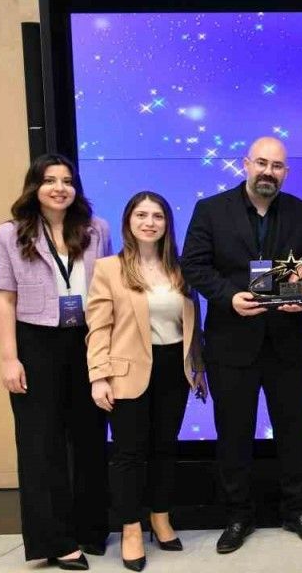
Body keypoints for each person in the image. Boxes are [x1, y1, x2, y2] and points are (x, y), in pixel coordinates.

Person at [181, 136, 302, 553]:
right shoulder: (211, 210)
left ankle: (297, 511)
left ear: (286, 172)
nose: (269, 172)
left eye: (277, 166)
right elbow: (193, 264)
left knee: (294, 432)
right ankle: (237, 516)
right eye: (262, 163)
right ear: (245, 164)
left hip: (288, 343)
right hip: (232, 343)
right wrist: (228, 296)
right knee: (233, 435)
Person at [0, 153, 111, 570]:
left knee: (90, 437)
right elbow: (4, 299)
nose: (60, 188)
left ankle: (91, 528)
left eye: (67, 181)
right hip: (35, 342)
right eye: (50, 180)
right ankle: (55, 541)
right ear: (35, 186)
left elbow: (107, 291)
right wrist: (10, 358)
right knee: (41, 445)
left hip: (87, 339)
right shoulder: (11, 233)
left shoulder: (96, 229)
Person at [85, 191, 208, 571]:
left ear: (167, 224)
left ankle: (160, 516)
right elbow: (98, 327)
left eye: (157, 216)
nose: (149, 222)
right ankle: (131, 528)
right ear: (128, 222)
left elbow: (192, 326)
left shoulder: (181, 269)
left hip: (174, 368)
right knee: (128, 453)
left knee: (164, 448)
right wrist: (98, 376)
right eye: (141, 215)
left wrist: (198, 370)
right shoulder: (108, 268)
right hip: (127, 371)